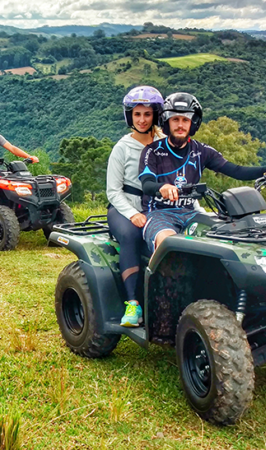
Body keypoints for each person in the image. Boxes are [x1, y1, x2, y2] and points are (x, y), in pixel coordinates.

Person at [139, 92, 266, 254]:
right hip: (159, 213)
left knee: (225, 238)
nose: (180, 125)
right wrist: (162, 187)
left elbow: (235, 170)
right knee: (168, 243)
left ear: (193, 123)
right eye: (175, 119)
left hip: (190, 213)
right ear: (167, 122)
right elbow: (147, 183)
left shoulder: (201, 151)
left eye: (185, 120)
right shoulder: (152, 151)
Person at [106, 86, 165, 328]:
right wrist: (133, 214)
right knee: (131, 235)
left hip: (157, 206)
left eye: (147, 114)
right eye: (137, 114)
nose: (142, 120)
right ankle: (133, 304)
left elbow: (179, 179)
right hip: (124, 207)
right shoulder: (122, 147)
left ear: (156, 116)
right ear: (130, 116)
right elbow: (113, 190)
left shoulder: (164, 144)